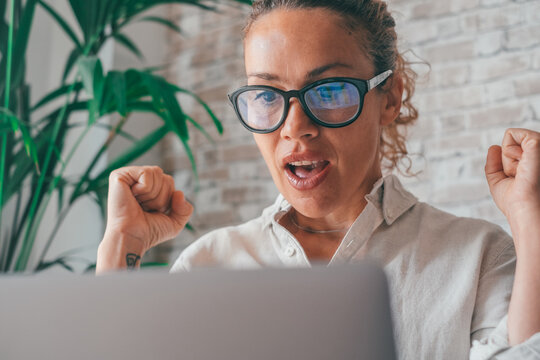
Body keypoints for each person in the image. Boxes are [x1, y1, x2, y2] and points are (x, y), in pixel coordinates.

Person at [96, 0, 540, 358]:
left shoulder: (477, 256)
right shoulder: (208, 264)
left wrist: (530, 222)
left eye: (328, 91)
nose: (294, 127)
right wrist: (123, 243)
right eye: (266, 95)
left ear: (389, 98)